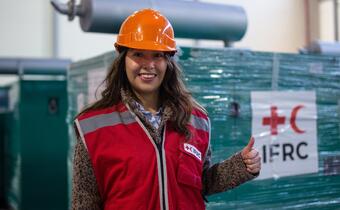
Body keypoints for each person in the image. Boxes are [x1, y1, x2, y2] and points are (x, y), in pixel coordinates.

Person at [72, 8, 261, 210]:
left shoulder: (196, 119)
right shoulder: (93, 126)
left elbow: (202, 182)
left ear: (168, 62)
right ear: (123, 59)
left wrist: (241, 165)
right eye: (138, 54)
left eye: (157, 55)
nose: (149, 64)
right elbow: (85, 203)